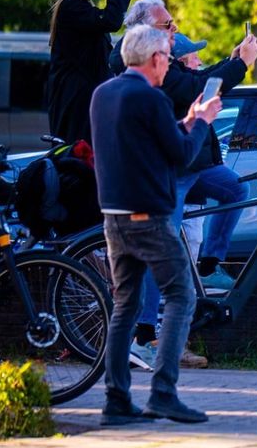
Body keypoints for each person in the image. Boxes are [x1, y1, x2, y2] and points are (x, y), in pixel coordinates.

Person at [112, 0, 257, 369]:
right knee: (160, 253)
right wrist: (240, 66)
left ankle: (209, 262)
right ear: (145, 34)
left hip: (192, 166)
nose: (175, 29)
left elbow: (196, 82)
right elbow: (192, 89)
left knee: (236, 189)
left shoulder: (162, 67)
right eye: (167, 25)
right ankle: (146, 335)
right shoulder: (145, 76)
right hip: (170, 174)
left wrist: (230, 63)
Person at [91, 25, 221, 425]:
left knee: (125, 305)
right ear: (155, 59)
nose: (169, 65)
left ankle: (116, 399)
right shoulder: (151, 98)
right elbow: (181, 156)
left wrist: (187, 120)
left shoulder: (104, 94)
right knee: (182, 295)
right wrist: (203, 122)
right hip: (149, 216)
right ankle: (163, 393)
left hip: (114, 217)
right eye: (167, 57)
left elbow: (150, 144)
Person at [46, 0, 132, 145]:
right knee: (79, 153)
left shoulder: (81, 7)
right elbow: (111, 21)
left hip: (84, 97)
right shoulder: (70, 7)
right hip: (76, 101)